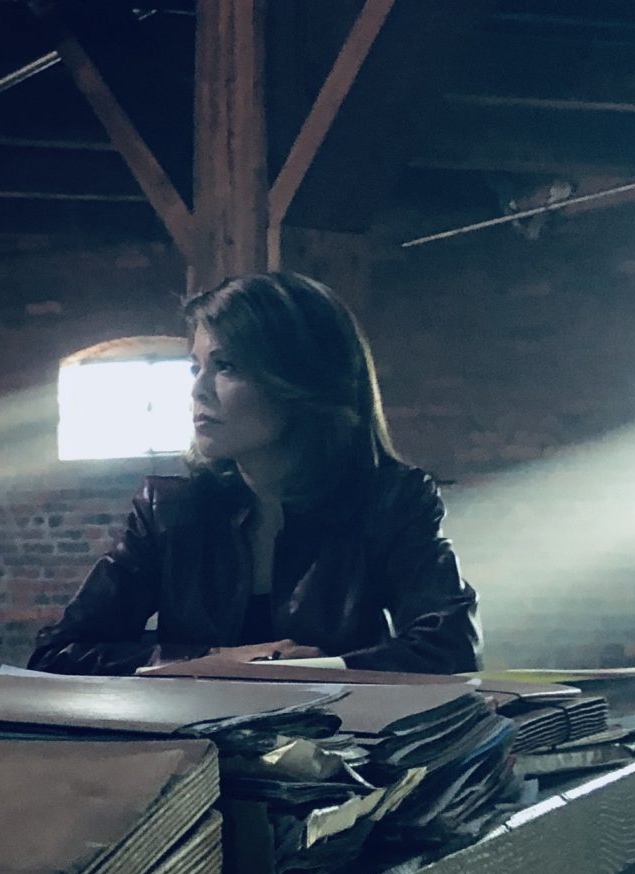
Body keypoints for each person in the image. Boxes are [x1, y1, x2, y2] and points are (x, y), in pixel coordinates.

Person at [29, 271, 479, 676]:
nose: (197, 390)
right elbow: (58, 653)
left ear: (299, 381)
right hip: (196, 754)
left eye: (225, 366)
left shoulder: (392, 500)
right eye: (195, 367)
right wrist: (207, 663)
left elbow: (451, 649)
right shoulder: (169, 509)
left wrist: (308, 671)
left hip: (339, 751)